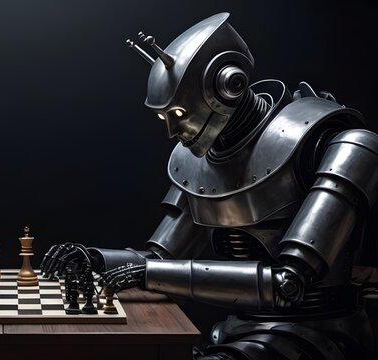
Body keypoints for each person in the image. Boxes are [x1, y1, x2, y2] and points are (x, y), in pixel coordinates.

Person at [41, 12, 378, 359]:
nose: (172, 133)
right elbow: (160, 259)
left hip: (317, 338)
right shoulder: (195, 162)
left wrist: (147, 273)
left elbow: (288, 283)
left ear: (227, 84)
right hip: (236, 333)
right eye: (164, 118)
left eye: (180, 115)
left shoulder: (340, 142)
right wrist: (95, 259)